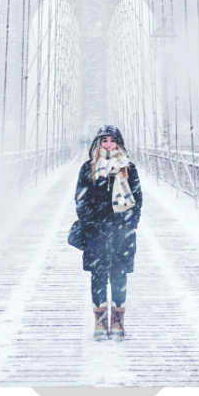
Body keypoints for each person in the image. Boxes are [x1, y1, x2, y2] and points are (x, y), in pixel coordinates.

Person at [74, 125, 143, 340]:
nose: (109, 145)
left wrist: (128, 225)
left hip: (122, 234)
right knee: (98, 278)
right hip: (96, 234)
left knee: (119, 278)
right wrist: (91, 224)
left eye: (113, 141)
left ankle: (117, 324)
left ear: (119, 144)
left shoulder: (128, 168)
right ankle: (100, 324)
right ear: (98, 144)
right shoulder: (88, 168)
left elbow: (137, 201)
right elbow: (80, 201)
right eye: (105, 141)